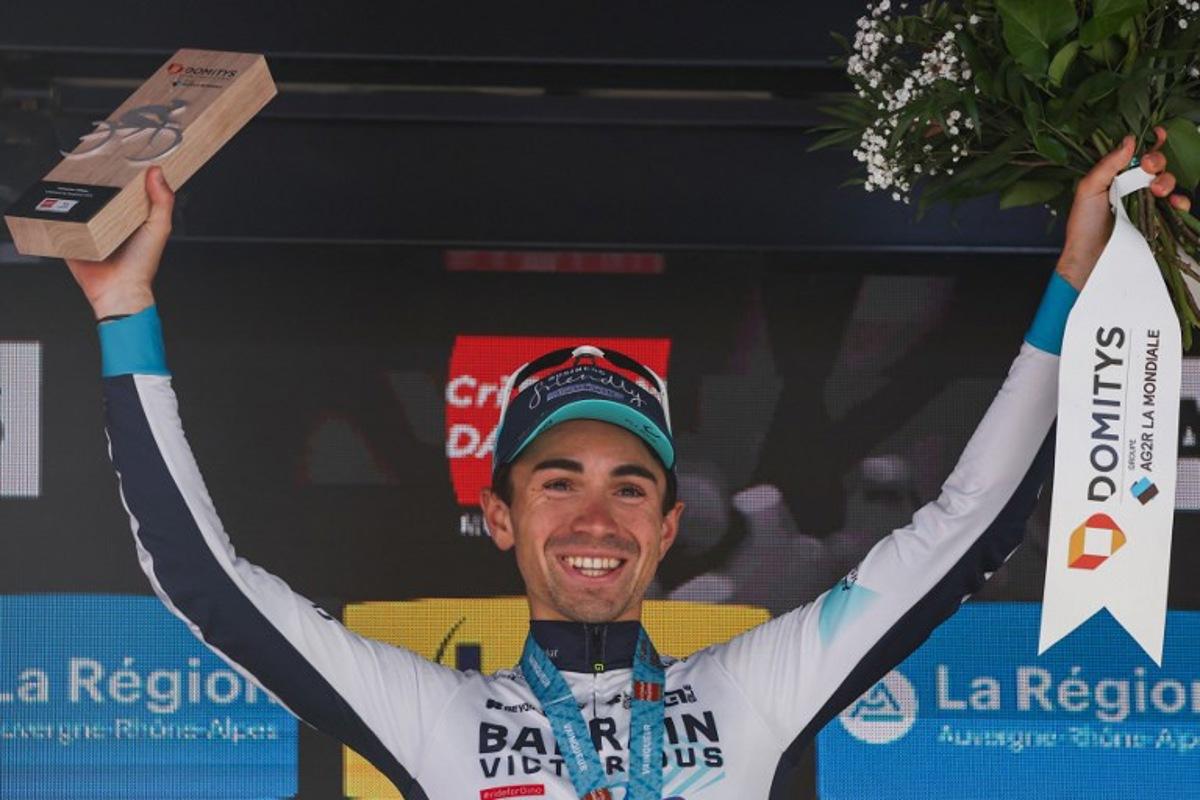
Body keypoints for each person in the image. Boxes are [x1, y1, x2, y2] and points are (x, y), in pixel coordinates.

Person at [68, 130, 1189, 799]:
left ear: (665, 528)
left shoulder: (748, 686)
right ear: (501, 518)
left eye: (629, 484)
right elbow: (202, 578)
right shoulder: (434, 713)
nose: (594, 513)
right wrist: (125, 314)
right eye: (558, 480)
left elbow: (967, 525)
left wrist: (1078, 282)